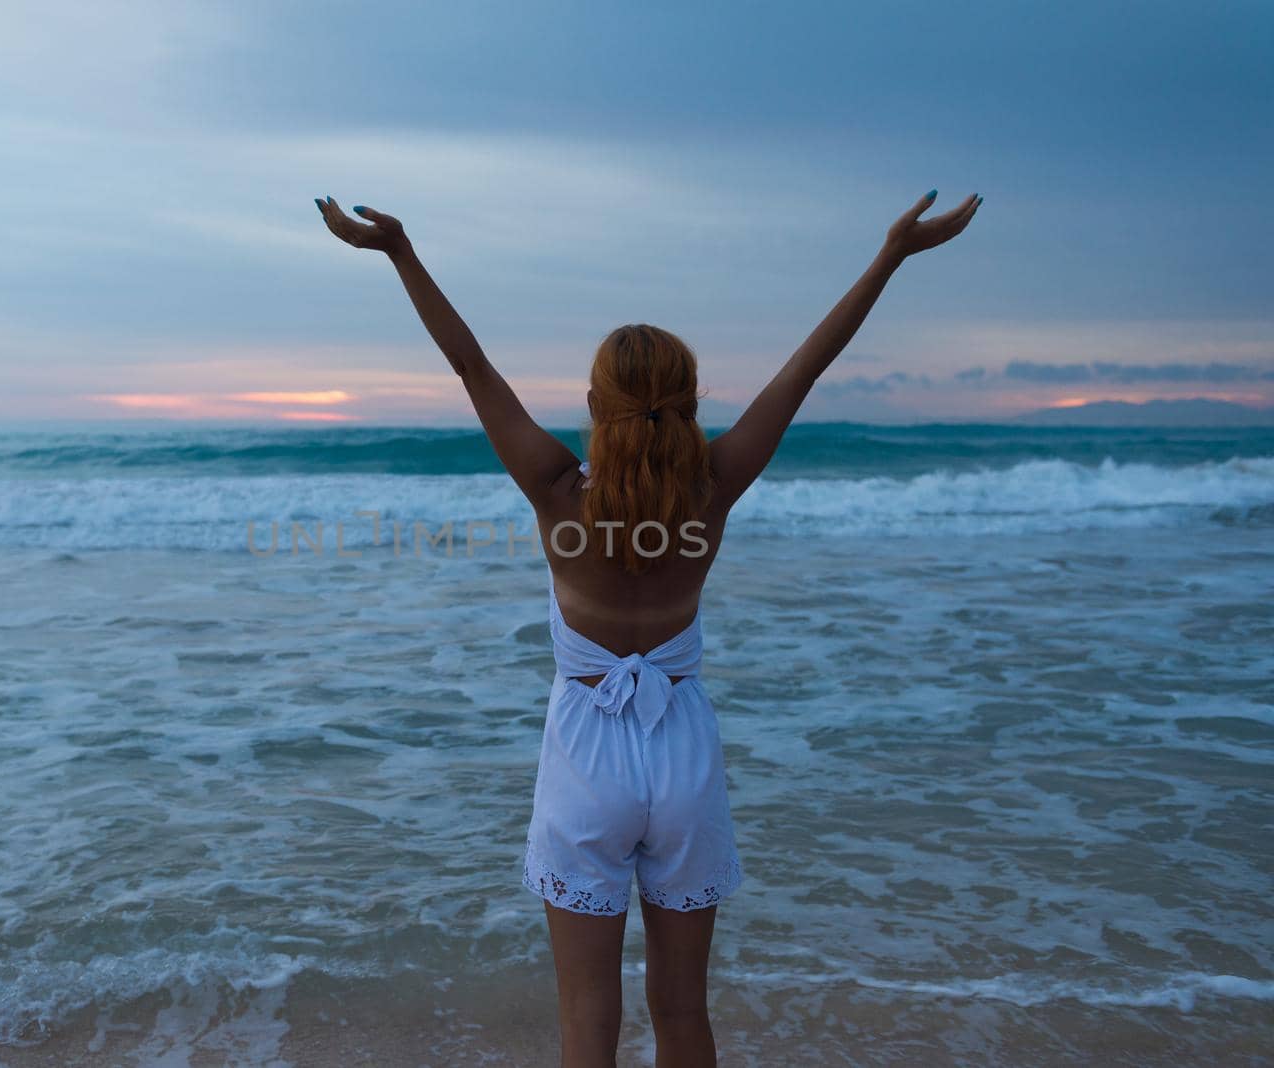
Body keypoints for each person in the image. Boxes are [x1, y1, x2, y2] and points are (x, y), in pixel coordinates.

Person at [316, 188, 981, 1066]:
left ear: (594, 403)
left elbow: (471, 368)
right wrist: (889, 256)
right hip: (682, 755)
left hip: (587, 757)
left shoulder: (558, 494)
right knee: (682, 1014)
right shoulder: (711, 489)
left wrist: (400, 252)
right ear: (692, 401)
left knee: (588, 1018)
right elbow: (804, 372)